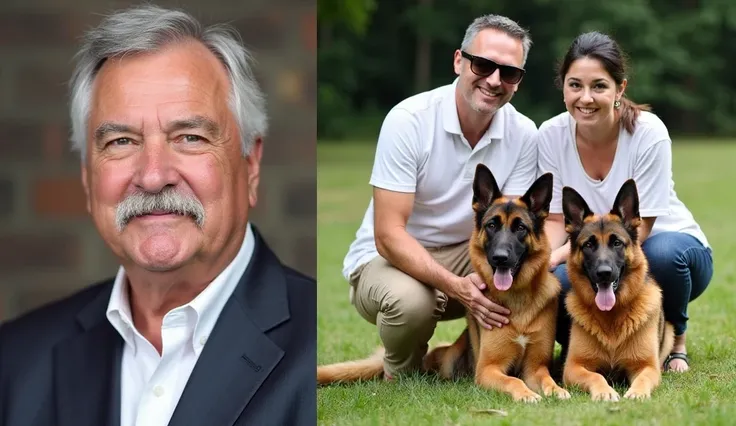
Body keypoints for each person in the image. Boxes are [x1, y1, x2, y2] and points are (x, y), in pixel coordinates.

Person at [0, 5, 316, 426]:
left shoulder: (314, 350)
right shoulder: (16, 361)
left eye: (189, 137)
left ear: (251, 165)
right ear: (88, 178)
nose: (152, 176)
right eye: (121, 141)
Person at [341, 14, 538, 380]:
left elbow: (508, 231)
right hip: (387, 259)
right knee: (413, 302)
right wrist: (455, 286)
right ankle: (400, 373)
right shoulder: (409, 120)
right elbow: (388, 234)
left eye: (508, 73)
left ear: (518, 82)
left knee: (530, 265)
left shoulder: (524, 133)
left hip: (468, 251)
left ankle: (489, 359)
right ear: (459, 61)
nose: (494, 81)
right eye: (483, 65)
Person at [536, 31, 713, 373]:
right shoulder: (550, 135)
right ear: (563, 87)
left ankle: (675, 340)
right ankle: (583, 351)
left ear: (620, 89)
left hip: (673, 248)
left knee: (658, 257)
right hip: (592, 248)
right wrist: (547, 260)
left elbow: (641, 229)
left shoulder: (649, 132)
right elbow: (557, 220)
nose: (585, 98)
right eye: (575, 85)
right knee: (557, 279)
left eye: (599, 86)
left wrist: (562, 255)